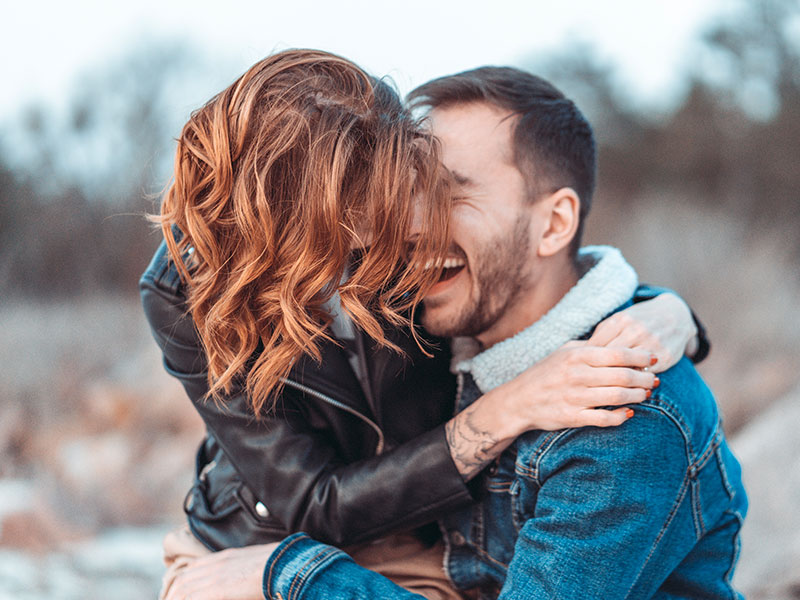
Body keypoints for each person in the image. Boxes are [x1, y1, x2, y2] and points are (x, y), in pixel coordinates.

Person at [141, 51, 709, 600]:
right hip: (258, 542)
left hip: (413, 547)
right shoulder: (184, 287)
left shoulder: (405, 238)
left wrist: (667, 313)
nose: (415, 220)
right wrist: (510, 405)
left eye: (428, 187)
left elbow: (535, 282)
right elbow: (313, 501)